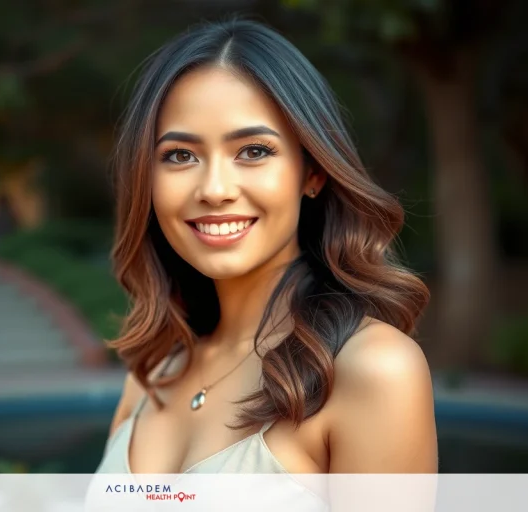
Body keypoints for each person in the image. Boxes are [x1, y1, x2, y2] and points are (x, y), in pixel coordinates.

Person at [95, 18, 437, 479]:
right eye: (180, 155)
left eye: (253, 151)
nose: (215, 189)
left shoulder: (373, 368)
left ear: (312, 172)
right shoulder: (151, 377)